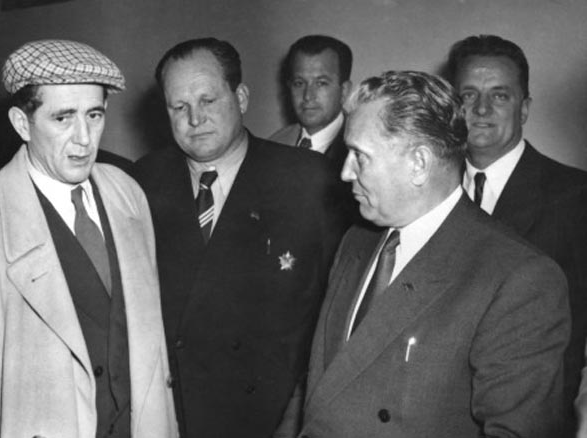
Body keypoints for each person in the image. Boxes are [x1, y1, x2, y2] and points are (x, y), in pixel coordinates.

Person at [0, 39, 177, 438]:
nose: (84, 138)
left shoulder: (127, 195)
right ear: (21, 124)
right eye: (63, 118)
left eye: (94, 115)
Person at [277, 71, 569, 437]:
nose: (346, 172)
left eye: (360, 156)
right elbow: (318, 382)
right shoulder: (357, 241)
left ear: (418, 163)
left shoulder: (517, 278)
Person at [132, 37, 347, 438]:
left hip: (270, 417)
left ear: (241, 98)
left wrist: (300, 414)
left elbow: (336, 316)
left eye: (208, 100)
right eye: (179, 107)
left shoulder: (309, 180)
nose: (195, 119)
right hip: (173, 417)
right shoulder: (142, 182)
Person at [446, 34, 587, 433]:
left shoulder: (576, 197)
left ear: (524, 108)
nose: (481, 109)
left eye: (500, 95)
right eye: (468, 95)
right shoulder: (428, 192)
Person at [270, 35, 353, 177]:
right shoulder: (274, 145)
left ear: (344, 91)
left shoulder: (359, 152)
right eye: (299, 83)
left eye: (321, 83)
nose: (308, 96)